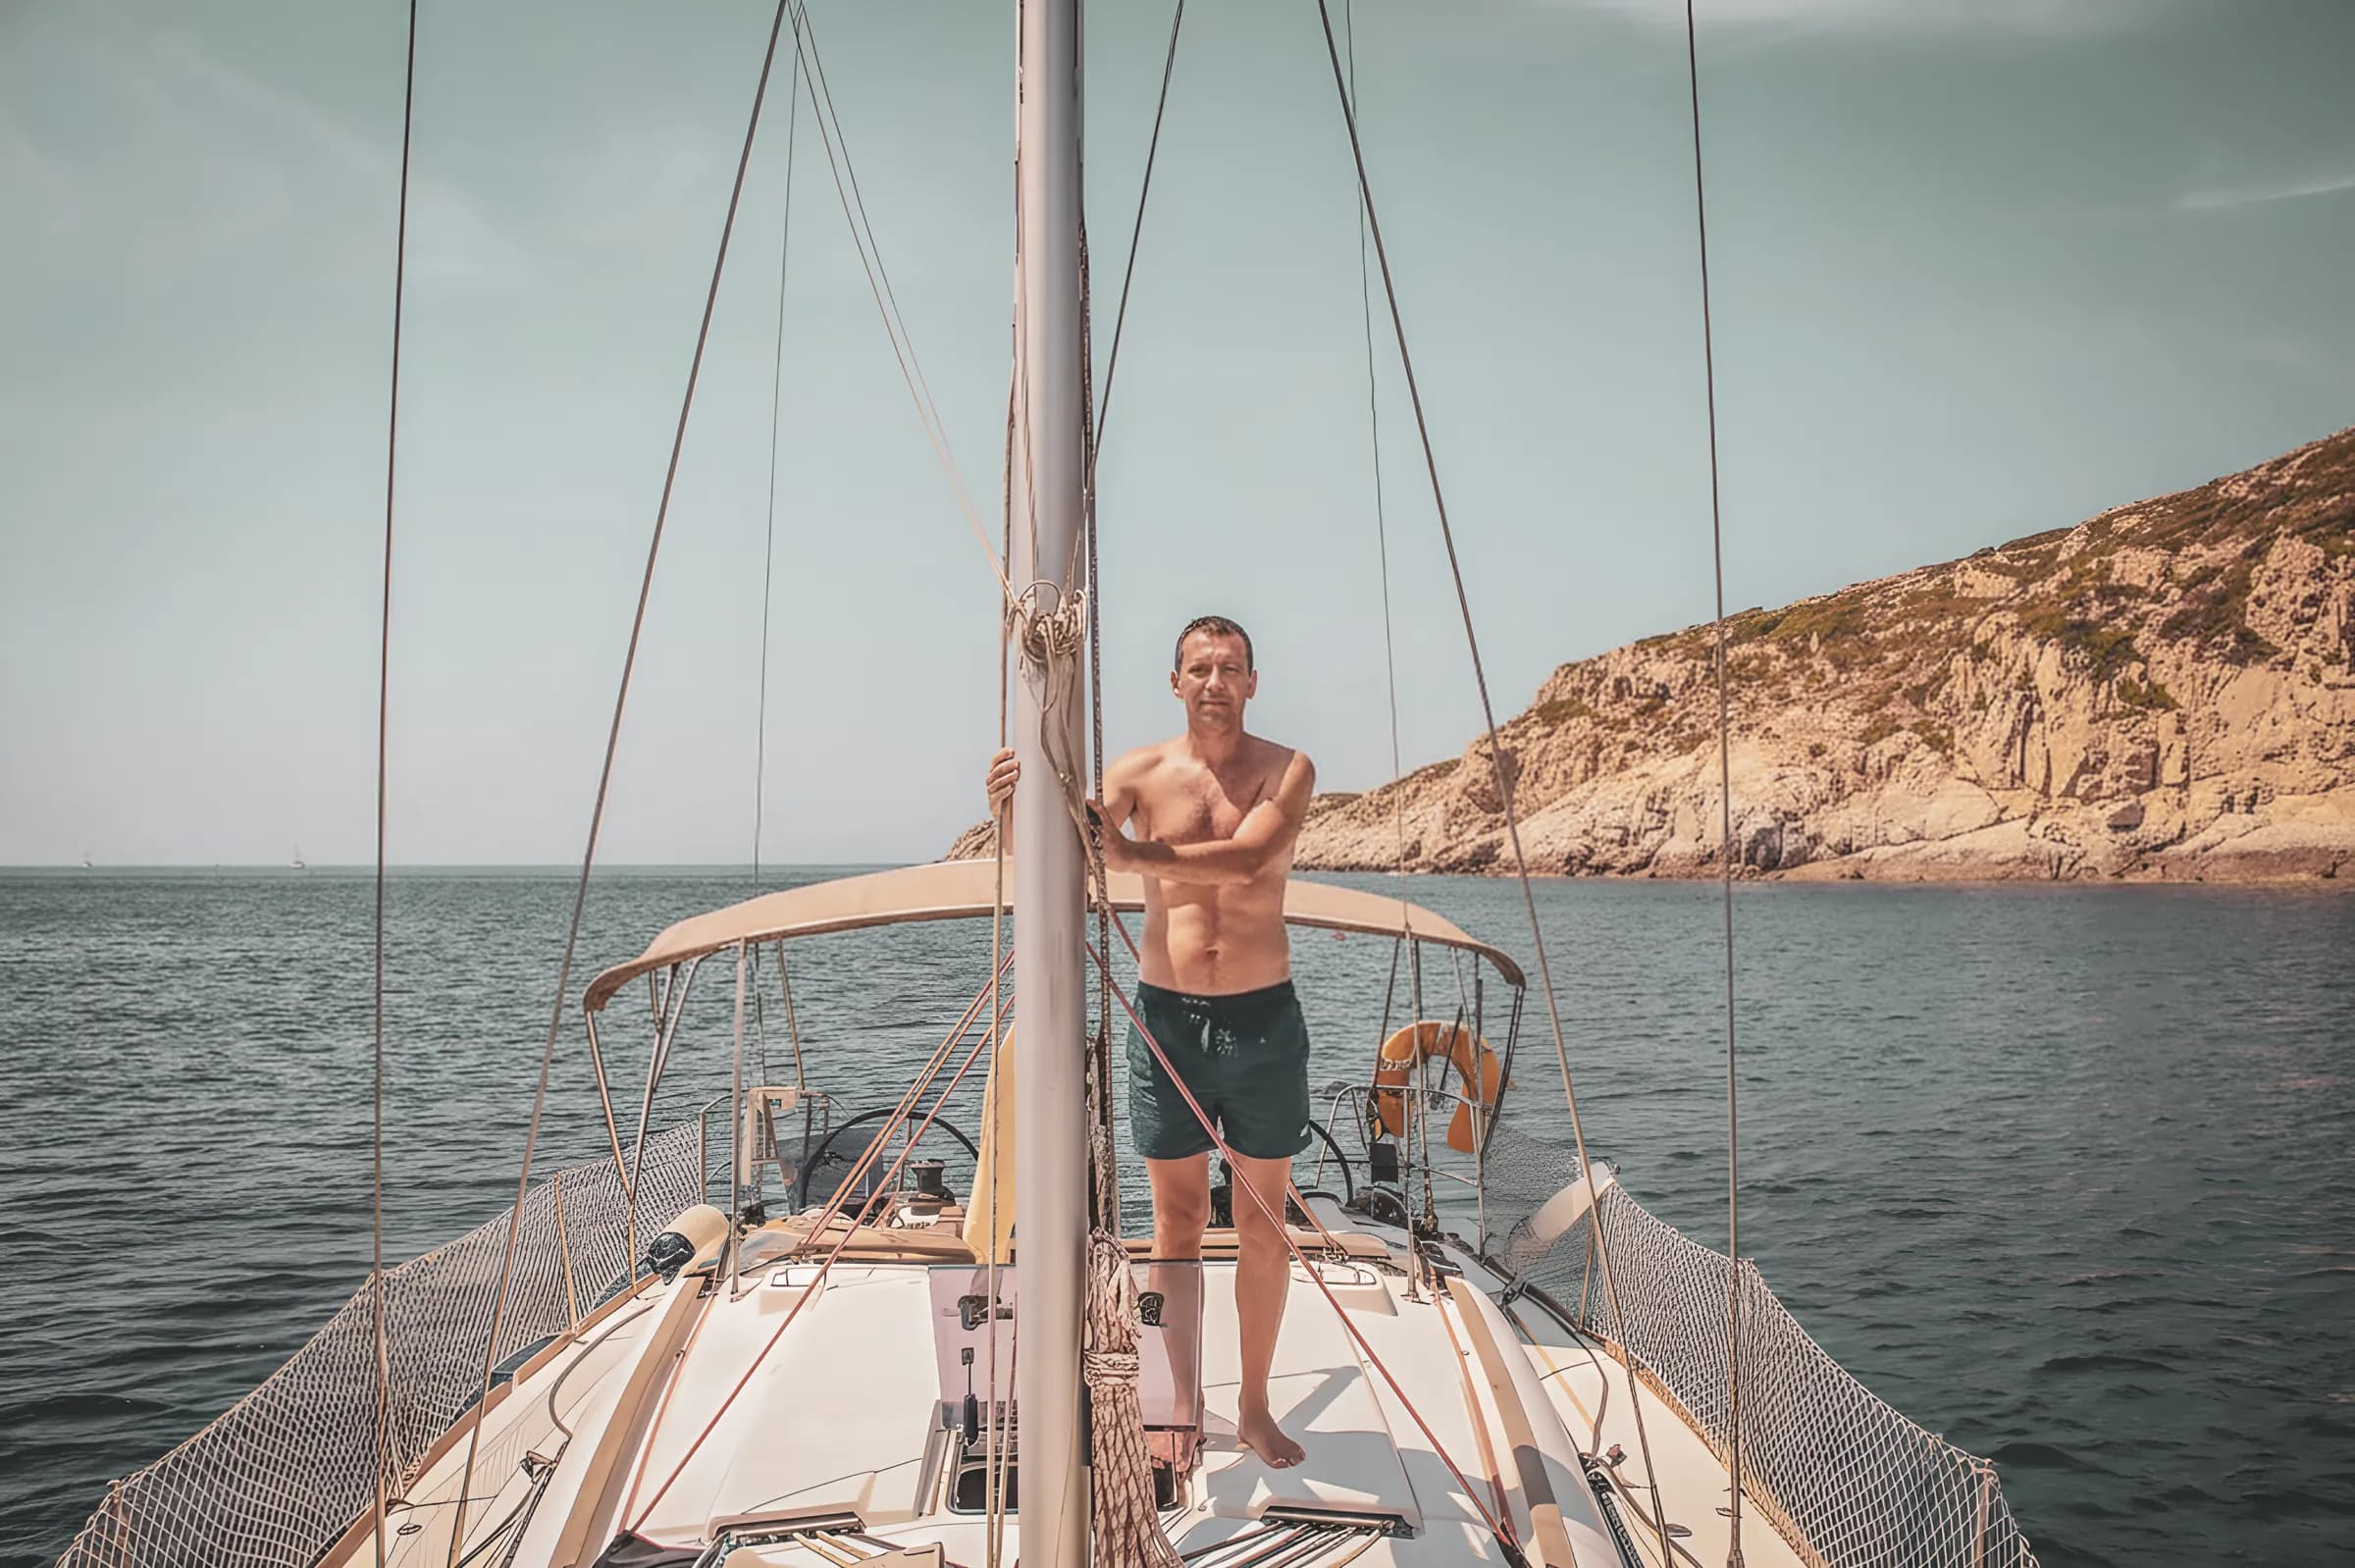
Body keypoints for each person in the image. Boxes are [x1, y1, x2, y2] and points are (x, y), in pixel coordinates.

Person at [984, 613, 1318, 1469]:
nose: (1215, 680)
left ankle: (1251, 1405)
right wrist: (1012, 814)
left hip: (1263, 1023)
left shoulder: (1288, 770)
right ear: (1176, 682)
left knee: (1262, 1221)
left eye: (1231, 667)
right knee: (1172, 1223)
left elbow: (1248, 862)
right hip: (1168, 1019)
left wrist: (1130, 853)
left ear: (1253, 681)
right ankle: (1181, 1407)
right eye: (1200, 667)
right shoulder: (1137, 771)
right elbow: (1062, 859)